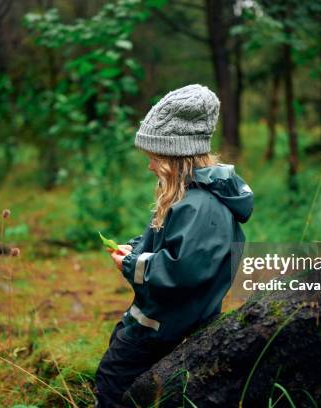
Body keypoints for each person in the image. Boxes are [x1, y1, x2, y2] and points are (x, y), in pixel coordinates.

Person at [94, 84, 254, 407]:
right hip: (156, 325)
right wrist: (135, 250)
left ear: (172, 158)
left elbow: (181, 271)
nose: (150, 166)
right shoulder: (189, 201)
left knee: (113, 384)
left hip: (164, 331)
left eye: (154, 158)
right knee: (114, 375)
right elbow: (164, 243)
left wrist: (131, 265)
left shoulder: (200, 208)